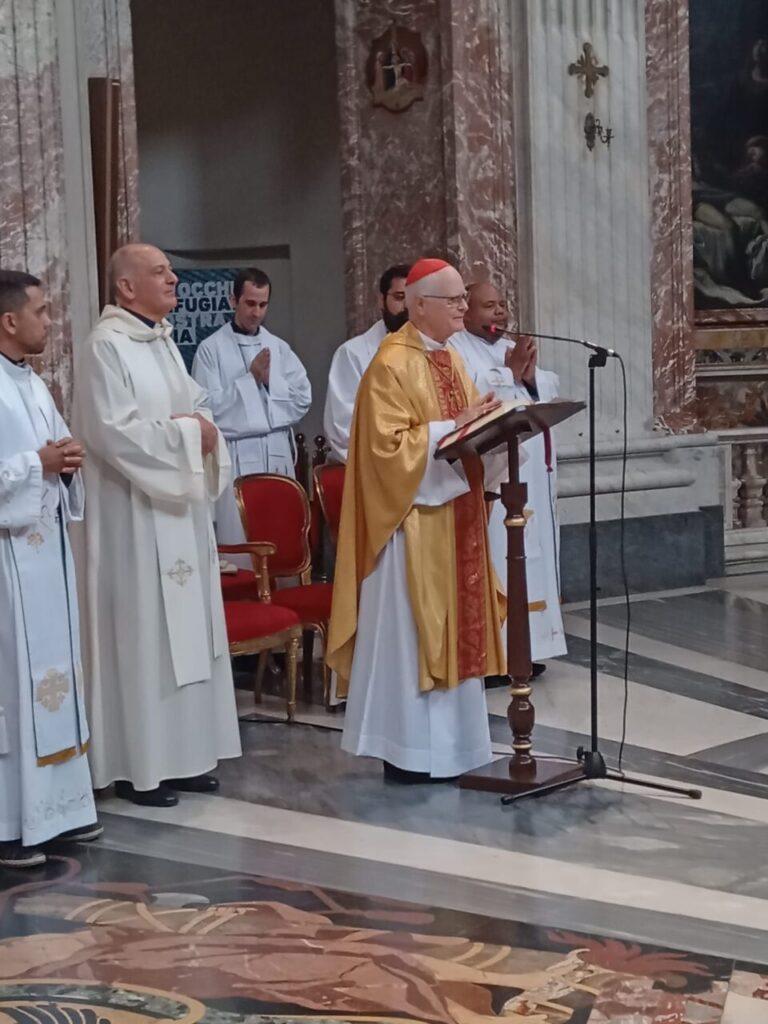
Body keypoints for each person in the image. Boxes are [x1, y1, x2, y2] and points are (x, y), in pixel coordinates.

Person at [72, 244, 241, 808]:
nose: (173, 279)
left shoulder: (162, 341)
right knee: (145, 638)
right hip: (133, 520)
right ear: (126, 288)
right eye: (160, 272)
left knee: (188, 638)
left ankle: (185, 756)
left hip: (178, 510)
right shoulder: (105, 348)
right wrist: (192, 434)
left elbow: (200, 408)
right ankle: (138, 767)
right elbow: (114, 433)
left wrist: (196, 429)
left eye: (170, 270)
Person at [327, 258, 506, 783]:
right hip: (411, 529)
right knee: (412, 636)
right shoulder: (390, 364)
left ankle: (458, 749)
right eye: (452, 300)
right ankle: (407, 752)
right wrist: (456, 426)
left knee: (457, 631)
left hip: (454, 520)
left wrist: (491, 427)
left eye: (462, 300)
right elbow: (386, 451)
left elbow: (466, 426)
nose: (463, 308)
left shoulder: (451, 358)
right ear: (418, 306)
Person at [0, 269, 101, 868]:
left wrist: (65, 461)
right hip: (7, 561)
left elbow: (50, 451)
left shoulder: (32, 384)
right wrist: (35, 463)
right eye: (40, 310)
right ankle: (11, 823)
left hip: (43, 550)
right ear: (9, 319)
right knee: (14, 685)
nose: (49, 320)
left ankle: (58, 811)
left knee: (53, 678)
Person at [450, 282, 566, 670]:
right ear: (466, 312)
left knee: (531, 558)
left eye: (502, 305)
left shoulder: (505, 348)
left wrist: (529, 378)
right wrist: (509, 374)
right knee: (501, 556)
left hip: (527, 471)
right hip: (491, 475)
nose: (499, 313)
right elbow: (467, 403)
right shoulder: (454, 349)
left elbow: (546, 387)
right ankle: (496, 655)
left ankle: (531, 649)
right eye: (489, 306)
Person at [191, 268, 311, 564]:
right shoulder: (211, 350)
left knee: (280, 537)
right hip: (236, 456)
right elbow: (207, 408)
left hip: (277, 452)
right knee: (241, 540)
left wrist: (271, 381)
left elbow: (302, 399)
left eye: (263, 304)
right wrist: (250, 379)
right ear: (233, 300)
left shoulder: (279, 348)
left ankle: (284, 602)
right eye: (250, 303)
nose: (256, 312)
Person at [324, 264, 410, 462]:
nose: (406, 306)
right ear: (382, 300)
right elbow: (342, 429)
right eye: (399, 297)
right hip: (374, 470)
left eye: (412, 299)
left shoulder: (430, 351)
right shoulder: (353, 354)